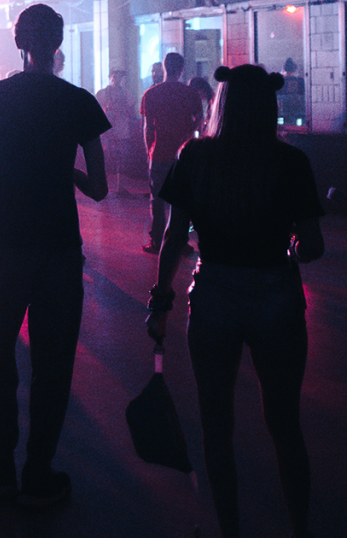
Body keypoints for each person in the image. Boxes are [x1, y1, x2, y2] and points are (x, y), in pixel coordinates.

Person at [146, 64, 324, 538]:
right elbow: (312, 246)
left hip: (215, 294)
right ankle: (301, 528)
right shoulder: (291, 162)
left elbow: (174, 235)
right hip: (276, 295)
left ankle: (229, 530)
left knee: (216, 424)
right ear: (269, 105)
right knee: (285, 425)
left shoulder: (195, 156)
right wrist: (291, 246)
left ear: (221, 103)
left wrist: (160, 300)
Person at [0, 3, 109, 509]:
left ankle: (0, 462)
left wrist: (0, 159)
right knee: (53, 365)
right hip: (59, 250)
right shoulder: (79, 102)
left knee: (0, 359)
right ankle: (39, 471)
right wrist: (65, 172)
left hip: (7, 247)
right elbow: (100, 188)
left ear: (18, 42)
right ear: (57, 45)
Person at [140, 52, 200, 254]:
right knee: (181, 201)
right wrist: (189, 134)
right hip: (184, 156)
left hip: (158, 153)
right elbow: (199, 119)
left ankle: (157, 241)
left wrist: (148, 151)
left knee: (157, 200)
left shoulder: (151, 94)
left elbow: (148, 127)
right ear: (181, 69)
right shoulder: (190, 93)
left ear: (164, 68)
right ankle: (180, 241)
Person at [96, 70, 136, 193]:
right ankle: (100, 185)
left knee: (122, 158)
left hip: (122, 131)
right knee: (105, 158)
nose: (117, 80)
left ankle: (120, 187)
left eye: (120, 77)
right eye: (114, 77)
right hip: (106, 131)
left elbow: (132, 111)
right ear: (110, 77)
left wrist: (121, 109)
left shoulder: (127, 94)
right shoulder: (102, 93)